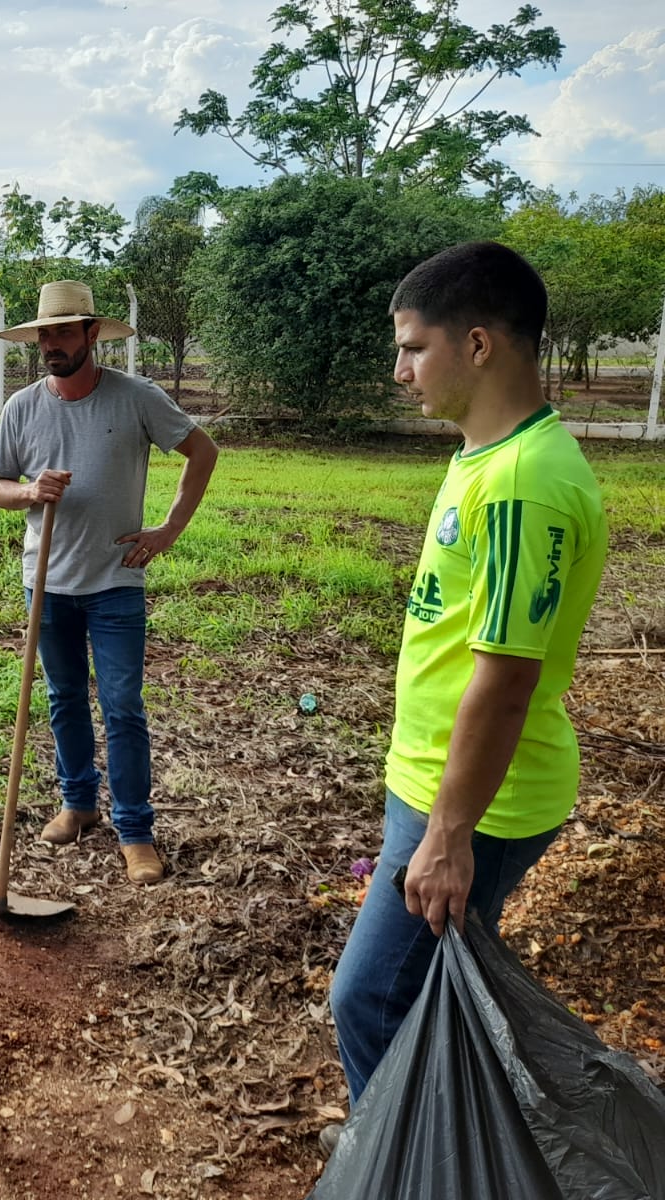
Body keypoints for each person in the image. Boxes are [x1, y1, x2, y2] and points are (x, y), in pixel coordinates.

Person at [323, 241, 608, 1148]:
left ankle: (405, 1160)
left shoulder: (526, 484)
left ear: (478, 345)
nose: (399, 370)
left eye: (412, 347)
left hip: (474, 805)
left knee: (372, 1000)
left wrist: (447, 838)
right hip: (439, 786)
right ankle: (414, 1145)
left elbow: (508, 677)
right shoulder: (488, 457)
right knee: (422, 998)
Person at [0, 280, 218, 884]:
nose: (53, 345)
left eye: (65, 331)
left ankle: (136, 831)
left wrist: (168, 529)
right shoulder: (22, 407)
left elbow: (202, 451)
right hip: (47, 581)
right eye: (45, 335)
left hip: (116, 581)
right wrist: (30, 491)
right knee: (63, 700)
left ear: (92, 334)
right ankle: (78, 804)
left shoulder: (136, 398)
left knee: (121, 707)